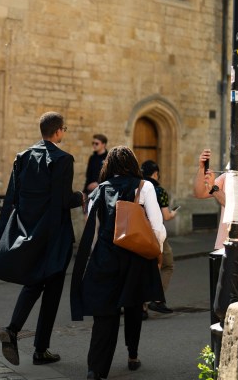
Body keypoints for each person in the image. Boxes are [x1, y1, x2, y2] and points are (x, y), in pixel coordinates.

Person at [0, 112, 85, 366]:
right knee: (52, 291)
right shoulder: (62, 159)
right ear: (58, 132)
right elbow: (61, 201)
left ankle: (13, 330)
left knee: (35, 283)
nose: (64, 133)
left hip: (29, 232)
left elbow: (13, 198)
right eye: (64, 129)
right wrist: (79, 196)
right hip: (54, 237)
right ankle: (40, 349)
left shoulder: (22, 157)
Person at [70, 146, 166, 379]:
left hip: (105, 257)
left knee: (105, 315)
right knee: (134, 307)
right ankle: (132, 354)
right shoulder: (145, 187)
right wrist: (158, 252)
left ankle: (96, 369)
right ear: (133, 164)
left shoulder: (100, 190)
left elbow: (93, 230)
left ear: (109, 166)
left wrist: (94, 258)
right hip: (136, 258)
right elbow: (157, 226)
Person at [141, 160, 176, 314]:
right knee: (167, 265)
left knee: (141, 269)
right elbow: (166, 216)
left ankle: (140, 305)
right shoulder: (159, 190)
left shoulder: (138, 187)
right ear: (155, 174)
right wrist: (174, 212)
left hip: (139, 232)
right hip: (156, 232)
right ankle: (157, 299)